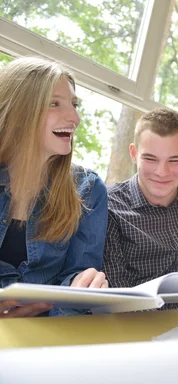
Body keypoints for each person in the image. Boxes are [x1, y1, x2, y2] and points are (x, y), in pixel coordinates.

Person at [0, 56, 108, 317]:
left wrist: (82, 285)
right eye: (54, 104)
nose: (74, 117)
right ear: (20, 111)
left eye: (74, 104)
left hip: (44, 339)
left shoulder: (89, 189)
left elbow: (76, 277)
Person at [102, 108, 178, 309]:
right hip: (134, 326)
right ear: (134, 154)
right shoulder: (109, 205)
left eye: (174, 160)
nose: (161, 172)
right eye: (150, 159)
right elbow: (116, 298)